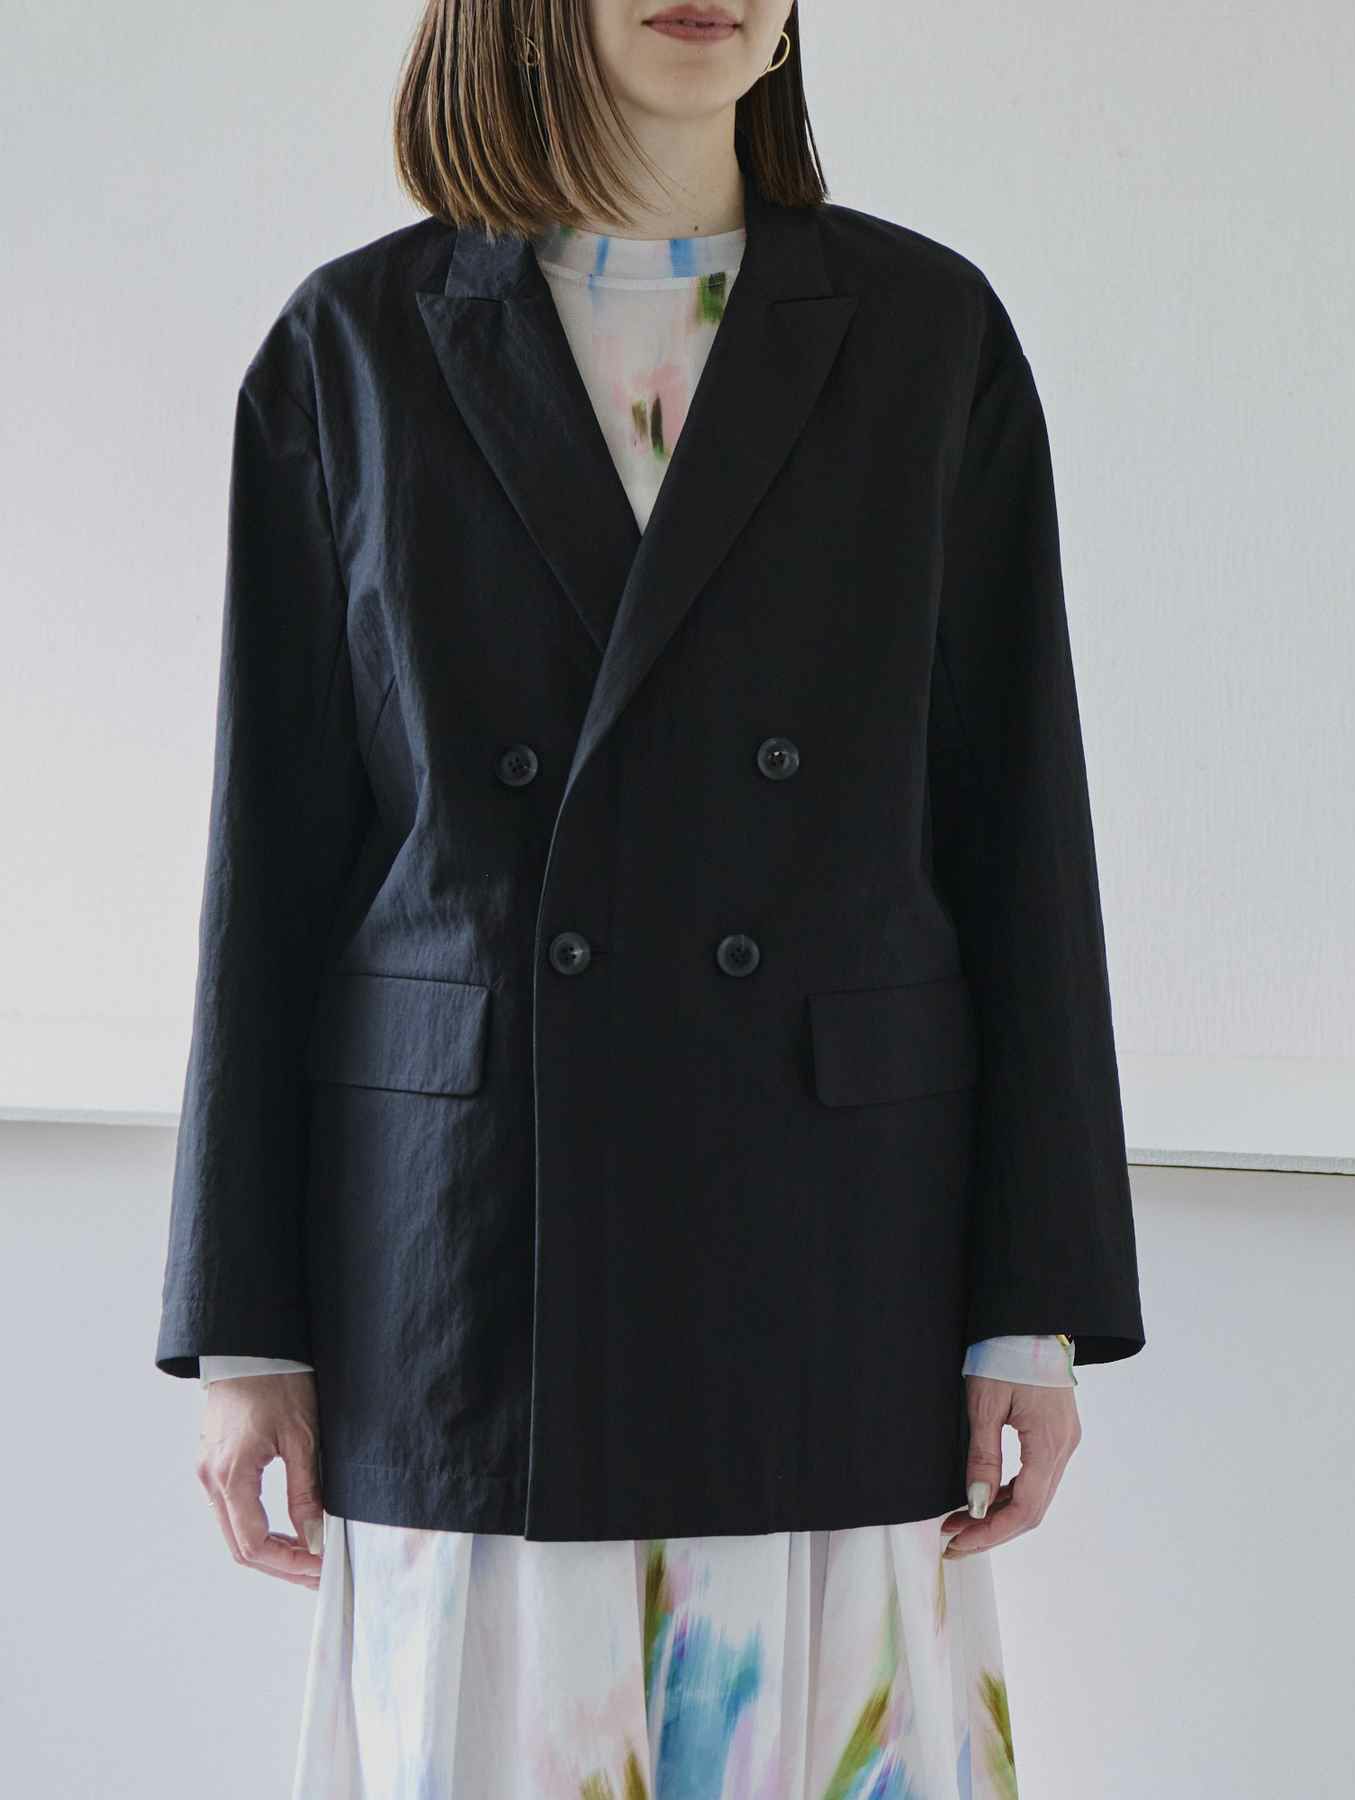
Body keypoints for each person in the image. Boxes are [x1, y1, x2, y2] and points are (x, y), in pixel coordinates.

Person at [156, 2, 1146, 1792]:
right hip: (469, 1262)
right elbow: (272, 862)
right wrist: (245, 1328)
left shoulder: (928, 336)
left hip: (830, 1243)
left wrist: (1034, 1305)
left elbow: (1020, 841)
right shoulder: (353, 345)